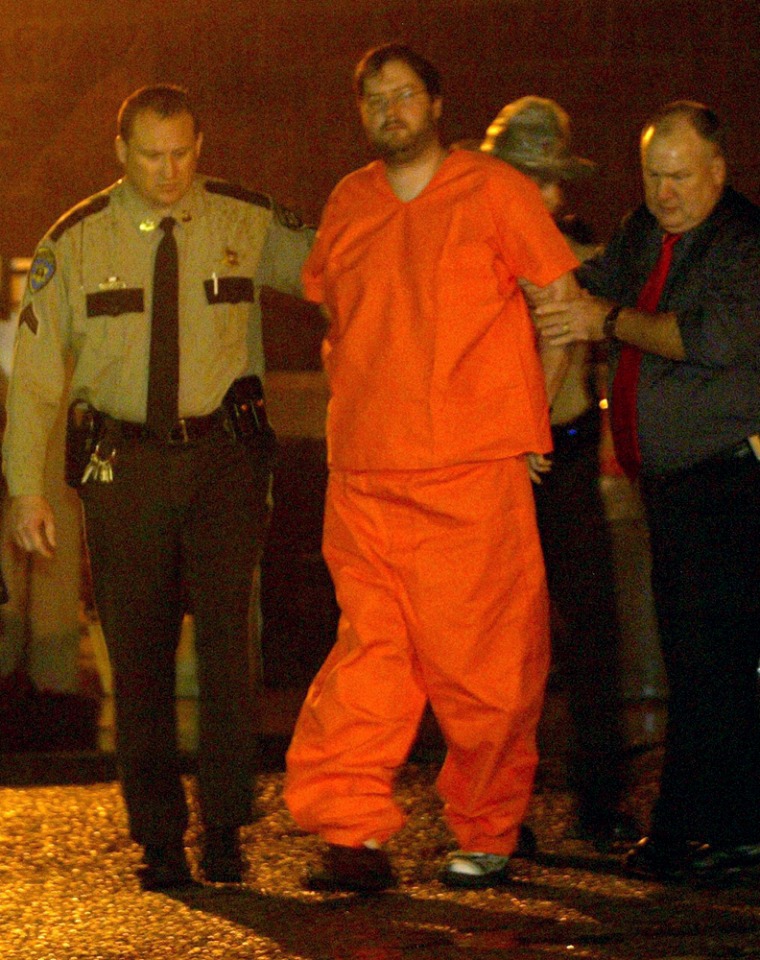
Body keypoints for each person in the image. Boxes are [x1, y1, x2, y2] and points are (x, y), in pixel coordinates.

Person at [283, 43, 581, 892]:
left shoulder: (494, 189)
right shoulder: (349, 199)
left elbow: (558, 308)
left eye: (405, 94)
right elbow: (337, 316)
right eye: (375, 97)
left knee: (486, 665)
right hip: (368, 474)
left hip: (470, 472)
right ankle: (350, 834)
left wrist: (533, 428)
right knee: (366, 661)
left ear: (437, 103)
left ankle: (488, 829)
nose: (390, 109)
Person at [2, 84, 314, 891]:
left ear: (200, 147)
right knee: (135, 655)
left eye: (181, 153)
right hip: (124, 467)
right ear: (120, 152)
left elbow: (344, 272)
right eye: (150, 155)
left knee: (226, 649)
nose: (168, 170)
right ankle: (159, 836)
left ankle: (225, 826)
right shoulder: (74, 242)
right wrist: (24, 489)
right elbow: (35, 376)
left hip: (224, 461)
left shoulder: (242, 220)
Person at [534, 101, 760, 883]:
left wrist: (609, 319)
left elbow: (702, 339)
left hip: (730, 480)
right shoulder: (645, 231)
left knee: (715, 661)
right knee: (696, 659)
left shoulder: (741, 243)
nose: (664, 192)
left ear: (717, 172)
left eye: (678, 177)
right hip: (671, 483)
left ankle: (711, 831)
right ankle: (701, 827)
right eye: (653, 176)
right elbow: (585, 281)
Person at [480, 97, 640, 851]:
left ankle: (599, 797)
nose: (546, 195)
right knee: (497, 641)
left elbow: (595, 342)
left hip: (566, 451)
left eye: (552, 181)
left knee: (591, 629)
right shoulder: (469, 247)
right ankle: (498, 810)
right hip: (492, 459)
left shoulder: (581, 249)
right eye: (530, 179)